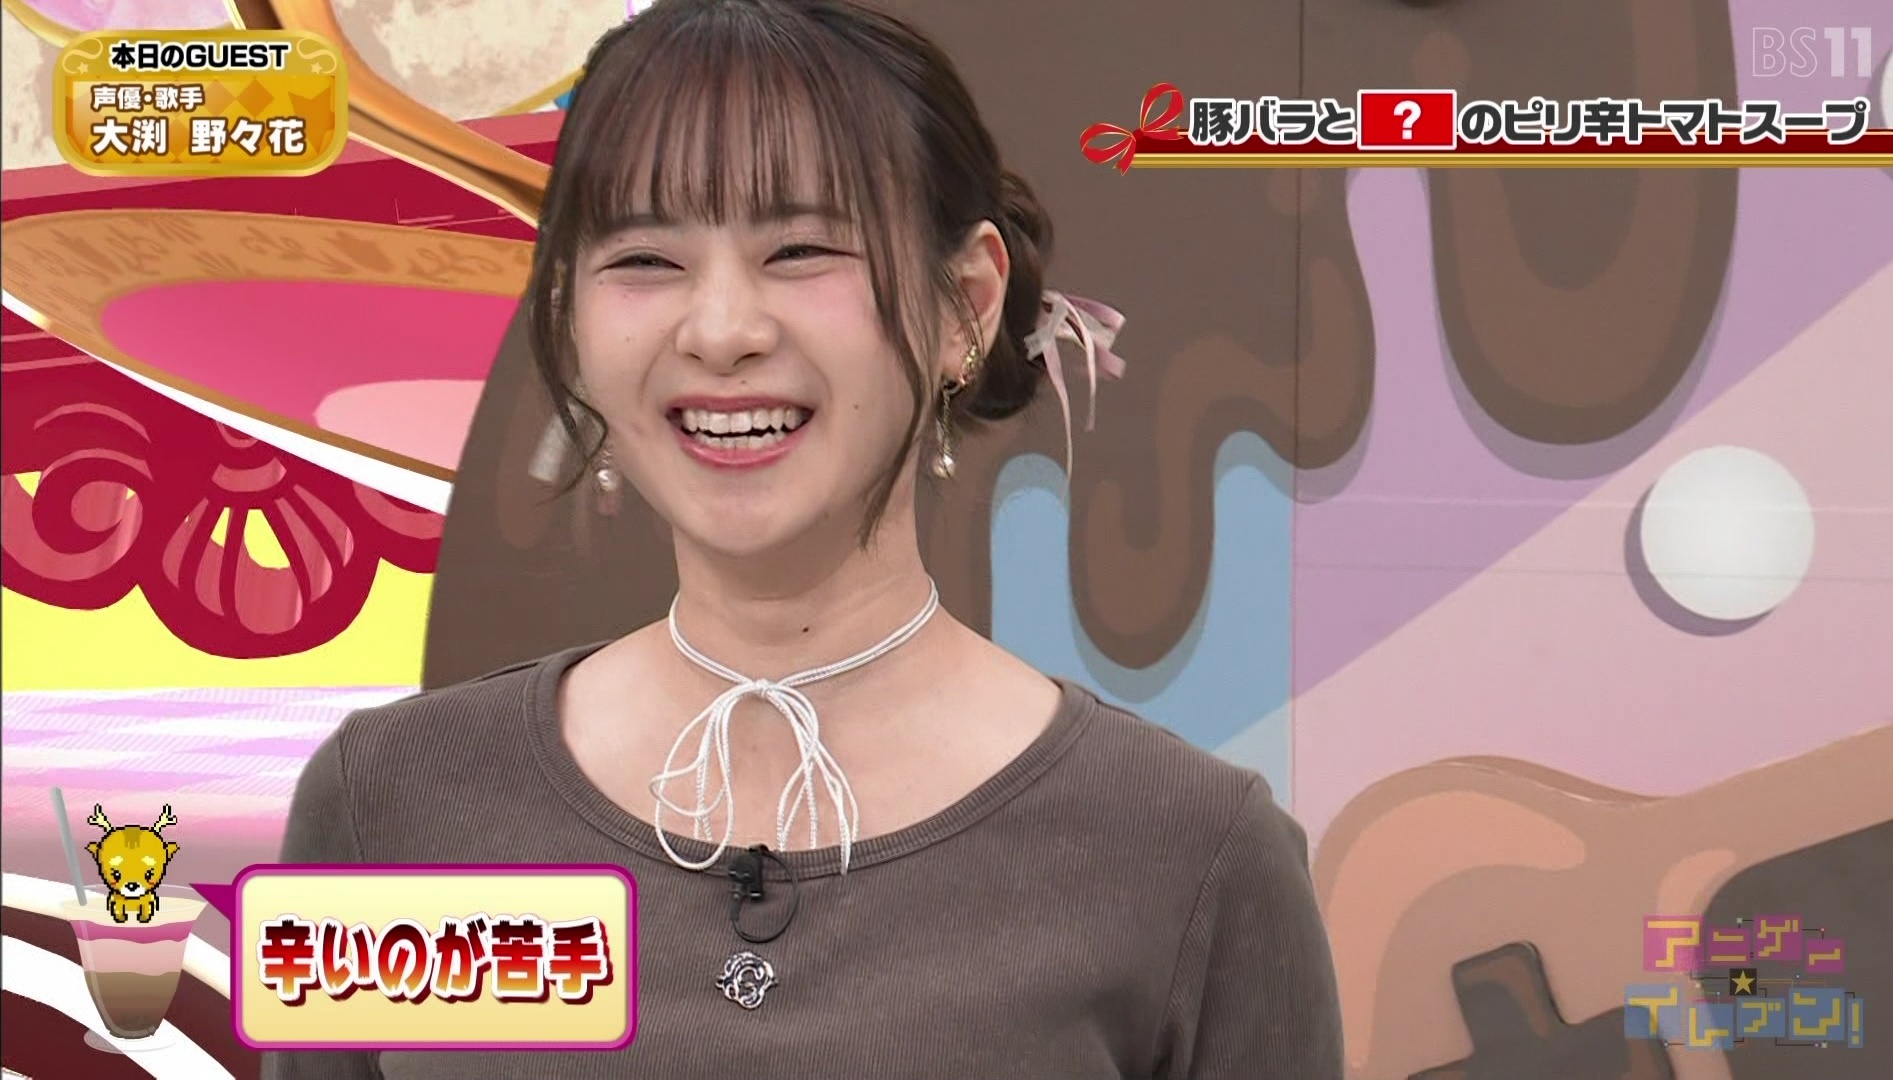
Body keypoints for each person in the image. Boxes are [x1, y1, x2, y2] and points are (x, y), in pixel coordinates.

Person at [264, 1, 1344, 1077]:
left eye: (800, 249)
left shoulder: (1192, 854)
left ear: (965, 306)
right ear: (569, 318)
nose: (721, 332)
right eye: (645, 259)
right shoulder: (387, 804)